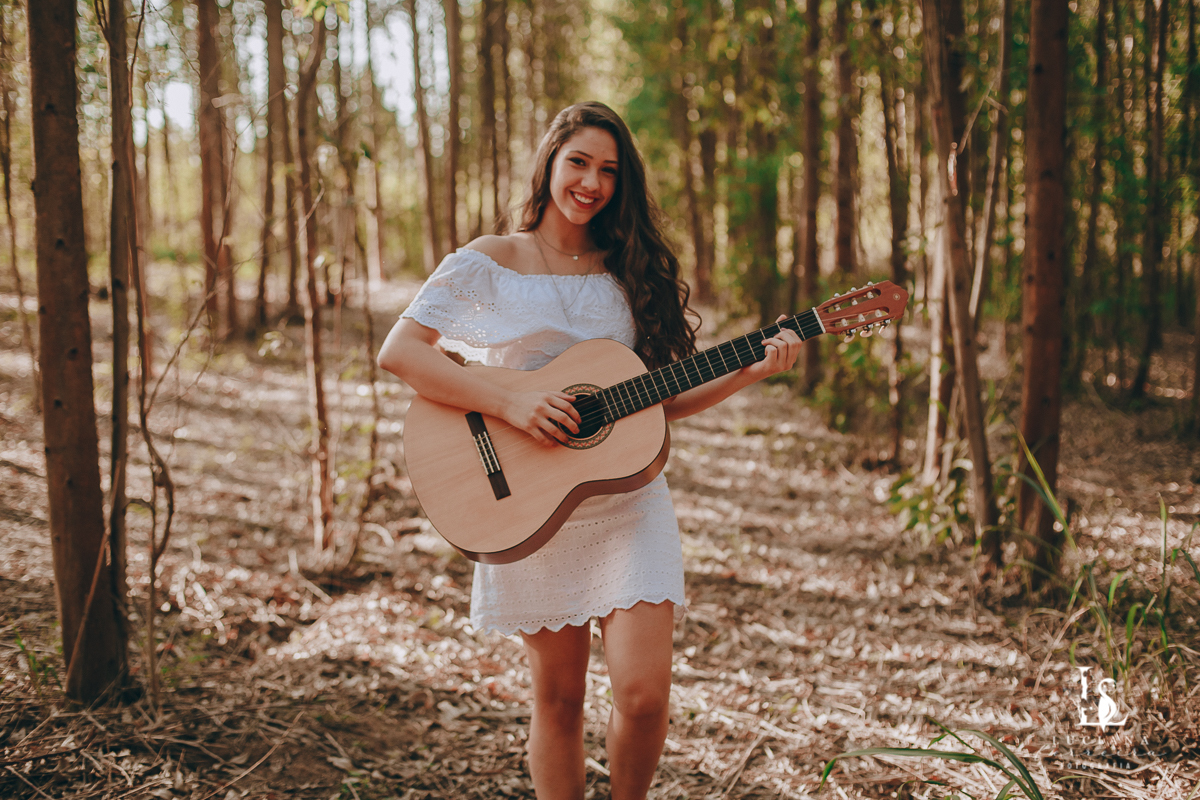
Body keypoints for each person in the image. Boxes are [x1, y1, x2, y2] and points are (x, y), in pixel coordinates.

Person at [377, 101, 802, 800]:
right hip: (524, 500)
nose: (591, 182)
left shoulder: (628, 270)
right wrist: (512, 400)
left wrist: (751, 368)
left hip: (627, 503)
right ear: (549, 162)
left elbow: (656, 400)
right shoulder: (487, 263)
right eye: (579, 162)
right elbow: (401, 353)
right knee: (561, 700)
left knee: (642, 697)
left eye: (609, 171)